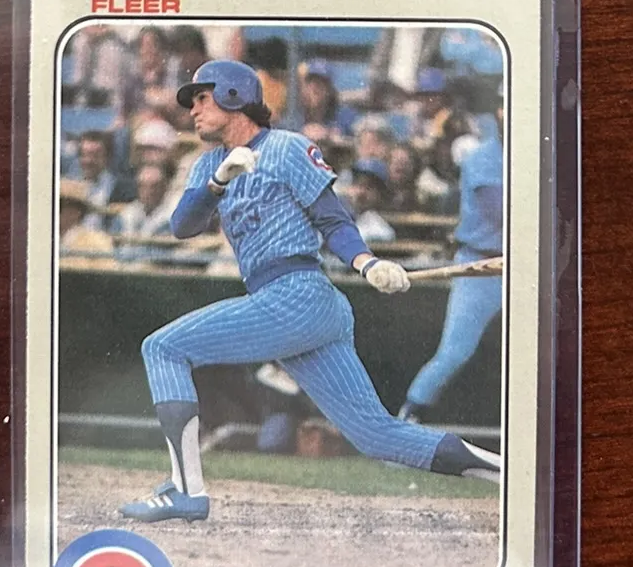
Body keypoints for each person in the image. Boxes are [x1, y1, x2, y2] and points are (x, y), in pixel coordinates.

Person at [118, 60, 500, 523]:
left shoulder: (286, 147)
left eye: (202, 98)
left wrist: (368, 262)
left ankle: (186, 490)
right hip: (294, 307)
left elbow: (333, 219)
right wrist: (219, 182)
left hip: (296, 292)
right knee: (378, 436)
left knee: (162, 348)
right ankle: (510, 475)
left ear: (234, 96)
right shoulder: (208, 164)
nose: (193, 110)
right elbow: (183, 226)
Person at [400, 108, 505, 421]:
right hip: (481, 266)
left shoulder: (540, 152)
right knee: (455, 352)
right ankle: (409, 416)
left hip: (528, 264)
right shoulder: (482, 157)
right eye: (503, 111)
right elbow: (503, 213)